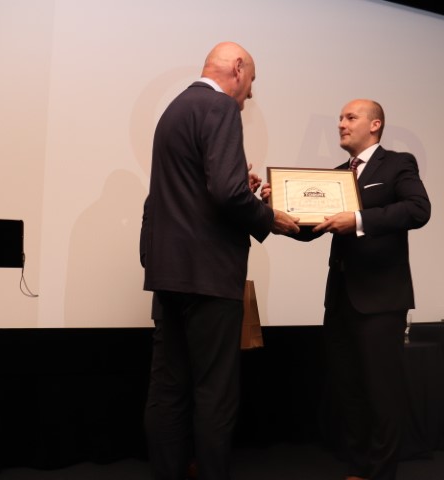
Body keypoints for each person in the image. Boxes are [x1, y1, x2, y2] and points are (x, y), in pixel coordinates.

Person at [140, 41, 300, 480]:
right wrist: (269, 218)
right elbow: (227, 193)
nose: (250, 94)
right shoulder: (220, 107)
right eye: (252, 81)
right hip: (209, 277)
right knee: (215, 392)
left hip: (168, 273)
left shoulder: (173, 110)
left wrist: (235, 184)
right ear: (238, 68)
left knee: (168, 390)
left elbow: (187, 190)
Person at [263, 99, 431, 480]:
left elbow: (418, 210)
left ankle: (382, 472)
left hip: (381, 299)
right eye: (339, 118)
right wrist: (275, 209)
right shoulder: (337, 176)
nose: (341, 123)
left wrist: (357, 219)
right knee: (348, 389)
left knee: (382, 391)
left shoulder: (398, 164)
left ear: (375, 125)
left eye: (350, 117)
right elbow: (311, 229)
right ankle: (358, 467)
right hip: (339, 298)